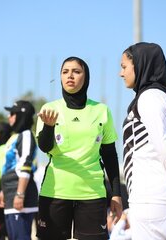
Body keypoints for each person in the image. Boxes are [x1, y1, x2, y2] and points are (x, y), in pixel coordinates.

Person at [36, 56, 123, 240]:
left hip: (92, 194)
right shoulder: (49, 109)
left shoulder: (101, 110)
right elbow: (45, 147)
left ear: (86, 77)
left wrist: (116, 195)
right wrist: (49, 126)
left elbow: (109, 156)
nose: (70, 76)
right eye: (65, 72)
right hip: (55, 192)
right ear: (60, 77)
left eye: (76, 71)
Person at [119, 42, 166, 239]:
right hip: (154, 194)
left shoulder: (149, 98)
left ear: (141, 65)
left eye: (124, 67)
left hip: (149, 195)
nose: (121, 73)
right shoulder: (159, 97)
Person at [0, 100, 38, 240]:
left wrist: (20, 194)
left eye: (13, 114)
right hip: (10, 195)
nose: (9, 117)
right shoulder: (16, 137)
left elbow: (25, 165)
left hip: (21, 196)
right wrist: (3, 190)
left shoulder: (26, 135)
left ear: (22, 116)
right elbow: (9, 167)